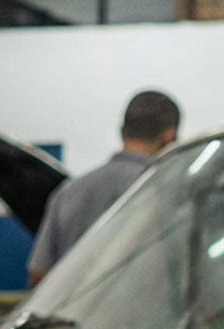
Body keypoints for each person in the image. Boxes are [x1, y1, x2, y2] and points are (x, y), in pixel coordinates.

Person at [27, 89, 179, 283]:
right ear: (169, 137)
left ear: (122, 131)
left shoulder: (68, 192)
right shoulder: (169, 192)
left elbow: (38, 276)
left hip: (71, 312)